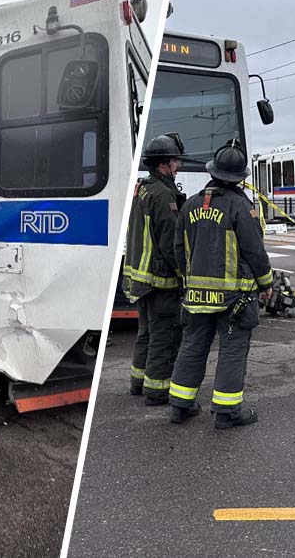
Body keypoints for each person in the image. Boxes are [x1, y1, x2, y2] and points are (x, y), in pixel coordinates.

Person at [168, 141, 273, 429]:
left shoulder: (190, 204)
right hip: (234, 298)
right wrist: (266, 283)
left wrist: (188, 280)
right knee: (233, 350)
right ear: (239, 177)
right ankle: (227, 413)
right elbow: (255, 251)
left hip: (195, 295)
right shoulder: (241, 206)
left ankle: (180, 406)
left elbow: (178, 249)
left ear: (213, 172)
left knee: (192, 346)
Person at [122, 134, 186, 405]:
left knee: (145, 334)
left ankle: (138, 383)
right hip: (160, 281)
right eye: (175, 161)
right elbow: (171, 243)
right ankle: (157, 391)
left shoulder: (142, 189)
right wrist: (185, 274)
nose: (178, 166)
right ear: (163, 165)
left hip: (141, 280)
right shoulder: (162, 195)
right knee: (164, 336)